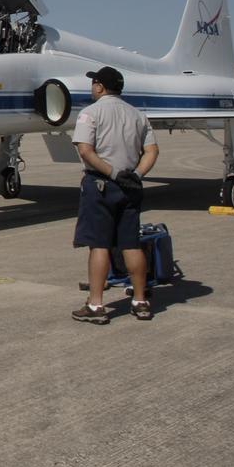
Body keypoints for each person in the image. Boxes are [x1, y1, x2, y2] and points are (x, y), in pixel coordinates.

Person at [71, 65, 159, 324]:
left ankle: (96, 306)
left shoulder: (90, 113)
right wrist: (136, 175)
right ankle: (141, 301)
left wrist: (112, 173)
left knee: (99, 245)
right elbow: (152, 150)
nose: (92, 87)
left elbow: (86, 151)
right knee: (130, 243)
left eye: (93, 83)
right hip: (131, 186)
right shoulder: (138, 115)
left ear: (99, 86)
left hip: (101, 185)